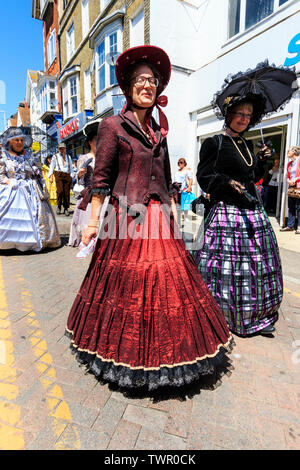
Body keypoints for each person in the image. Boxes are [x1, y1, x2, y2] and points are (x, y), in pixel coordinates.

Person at [66, 45, 233, 392]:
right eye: (140, 80)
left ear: (157, 90)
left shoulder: (160, 133)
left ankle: (170, 353)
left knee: (167, 282)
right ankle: (126, 352)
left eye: (152, 82)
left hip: (159, 218)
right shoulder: (113, 126)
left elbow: (168, 180)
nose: (147, 86)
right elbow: (101, 178)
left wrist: (174, 218)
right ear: (128, 87)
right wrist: (94, 223)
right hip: (125, 218)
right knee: (128, 286)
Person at [194, 93, 283, 337]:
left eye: (248, 115)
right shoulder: (214, 143)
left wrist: (262, 162)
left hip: (252, 211)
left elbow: (252, 177)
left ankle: (255, 313)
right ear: (229, 114)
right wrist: (226, 182)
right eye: (240, 114)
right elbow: (204, 177)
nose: (244, 119)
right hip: (227, 213)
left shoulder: (247, 144)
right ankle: (223, 314)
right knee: (229, 267)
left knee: (255, 264)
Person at [0, 127, 61, 252]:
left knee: (35, 217)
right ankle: (10, 243)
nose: (19, 143)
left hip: (31, 191)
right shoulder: (4, 157)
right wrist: (8, 181)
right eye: (16, 140)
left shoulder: (30, 156)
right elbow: (1, 175)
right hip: (11, 190)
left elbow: (38, 174)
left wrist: (37, 172)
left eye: (21, 140)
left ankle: (34, 242)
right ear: (10, 142)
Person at [68, 120, 107, 247]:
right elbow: (79, 179)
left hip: (105, 194)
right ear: (90, 142)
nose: (99, 142)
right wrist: (80, 173)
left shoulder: (106, 157)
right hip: (90, 196)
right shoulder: (83, 158)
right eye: (96, 140)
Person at [48, 142, 74, 216]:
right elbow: (51, 167)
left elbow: (71, 168)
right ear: (58, 149)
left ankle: (66, 208)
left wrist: (72, 175)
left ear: (65, 149)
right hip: (59, 174)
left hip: (67, 175)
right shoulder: (55, 157)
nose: (62, 150)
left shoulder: (68, 157)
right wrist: (50, 176)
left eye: (63, 148)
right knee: (60, 191)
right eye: (60, 149)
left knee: (66, 193)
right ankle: (59, 207)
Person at [280, 146, 300, 234]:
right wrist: (288, 180)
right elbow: (288, 176)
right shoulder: (289, 164)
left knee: (299, 207)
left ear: (294, 152)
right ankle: (290, 226)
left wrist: (295, 180)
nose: (287, 152)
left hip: (299, 186)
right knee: (291, 206)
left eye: (289, 151)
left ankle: (299, 227)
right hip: (291, 187)